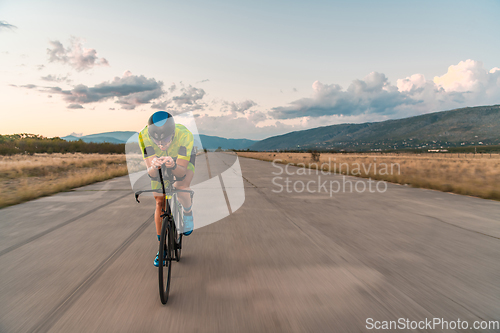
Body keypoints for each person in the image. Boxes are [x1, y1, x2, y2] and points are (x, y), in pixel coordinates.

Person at [138, 111, 195, 267]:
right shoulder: (144, 136)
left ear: (173, 133)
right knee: (159, 200)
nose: (161, 144)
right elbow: (151, 173)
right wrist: (154, 166)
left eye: (166, 140)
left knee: (180, 186)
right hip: (159, 160)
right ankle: (161, 247)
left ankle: (187, 212)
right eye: (157, 141)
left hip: (181, 160)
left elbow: (182, 173)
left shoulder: (185, 135)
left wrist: (174, 165)